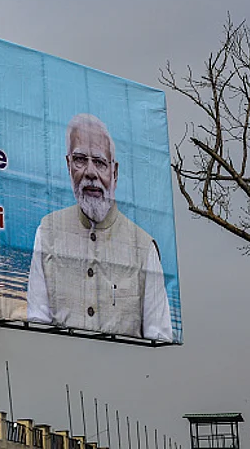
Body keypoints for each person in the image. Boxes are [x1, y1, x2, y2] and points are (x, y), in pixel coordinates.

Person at [26, 113, 173, 341]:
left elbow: (159, 335)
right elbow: (37, 324)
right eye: (80, 160)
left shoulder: (143, 247)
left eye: (100, 162)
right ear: (68, 165)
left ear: (114, 172)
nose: (90, 173)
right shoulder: (48, 232)